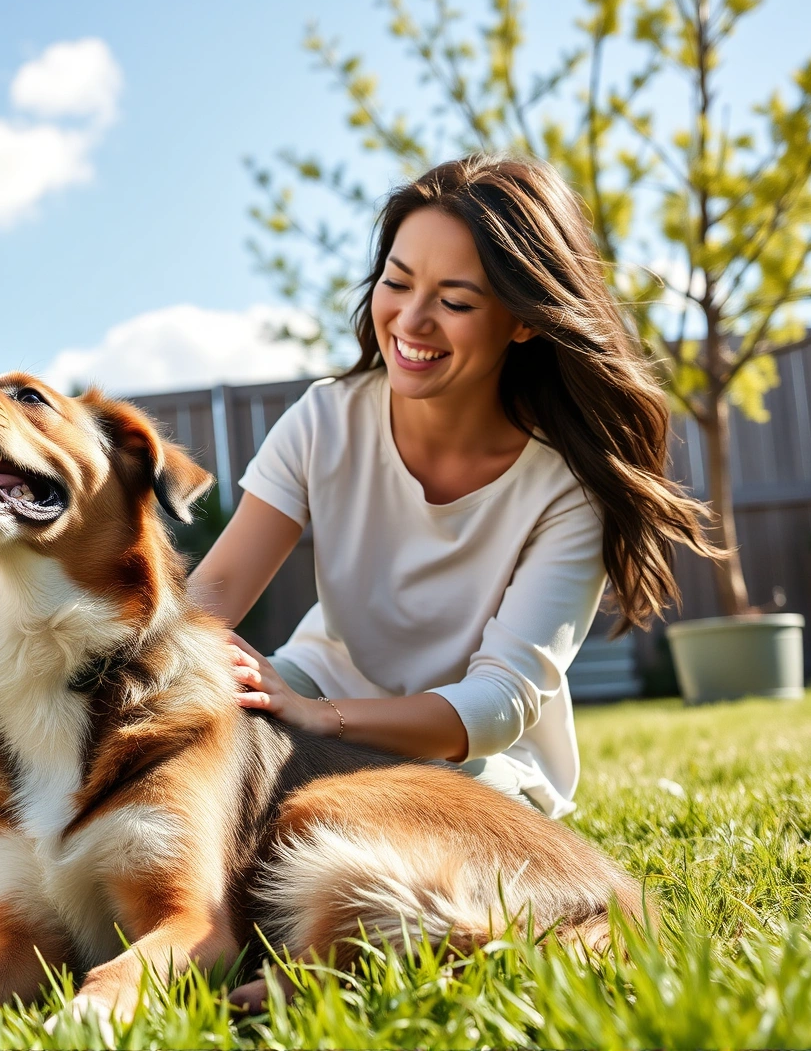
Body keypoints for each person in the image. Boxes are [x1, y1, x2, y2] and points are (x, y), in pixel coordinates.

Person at [190, 152, 716, 817]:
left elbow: (498, 702)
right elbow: (211, 599)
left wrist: (324, 719)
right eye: (397, 281)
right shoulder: (326, 419)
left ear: (524, 319)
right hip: (311, 690)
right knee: (196, 749)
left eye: (456, 301)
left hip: (477, 761)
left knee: (380, 810)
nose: (411, 322)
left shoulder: (566, 490)